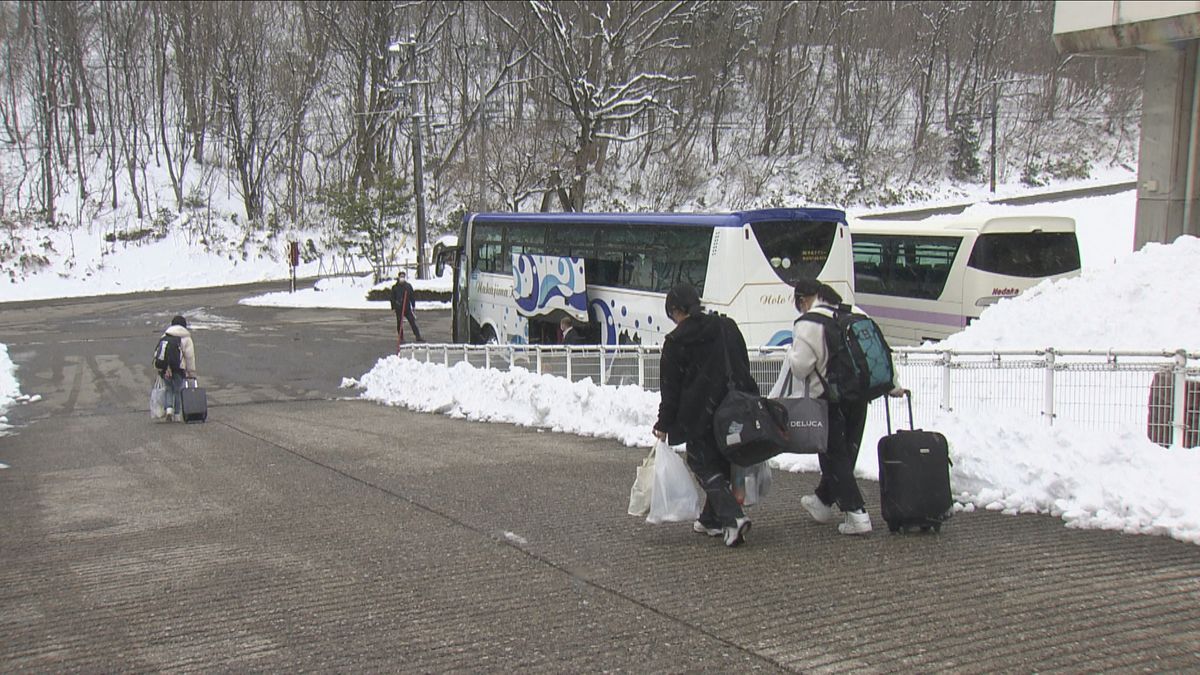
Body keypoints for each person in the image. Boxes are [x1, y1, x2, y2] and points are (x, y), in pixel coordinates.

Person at [771, 278, 905, 535]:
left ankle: (857, 514)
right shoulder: (855, 313)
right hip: (859, 394)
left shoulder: (809, 323)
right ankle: (822, 501)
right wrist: (892, 384)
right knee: (847, 452)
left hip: (830, 400)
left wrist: (790, 352)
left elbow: (800, 368)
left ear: (803, 300)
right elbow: (877, 353)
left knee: (833, 456)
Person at [652, 283, 759, 547]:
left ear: (676, 310)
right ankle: (711, 519)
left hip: (700, 413)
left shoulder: (676, 342)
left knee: (702, 463)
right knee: (724, 461)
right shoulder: (727, 326)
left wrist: (663, 424)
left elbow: (670, 389)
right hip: (735, 408)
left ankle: (733, 519)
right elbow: (742, 364)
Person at [158, 315, 197, 423]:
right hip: (179, 369)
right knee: (178, 391)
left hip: (166, 368)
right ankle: (176, 415)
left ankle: (169, 409)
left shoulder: (165, 336)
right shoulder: (186, 338)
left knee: (168, 389)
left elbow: (160, 352)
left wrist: (161, 368)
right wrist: (191, 372)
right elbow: (189, 357)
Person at [390, 271, 423, 346]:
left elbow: (412, 296)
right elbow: (392, 298)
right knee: (399, 323)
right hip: (399, 309)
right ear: (398, 277)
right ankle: (401, 337)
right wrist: (394, 306)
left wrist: (413, 305)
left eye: (403, 277)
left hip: (407, 308)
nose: (402, 278)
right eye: (400, 276)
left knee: (412, 322)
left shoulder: (408, 286)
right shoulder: (395, 287)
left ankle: (418, 336)